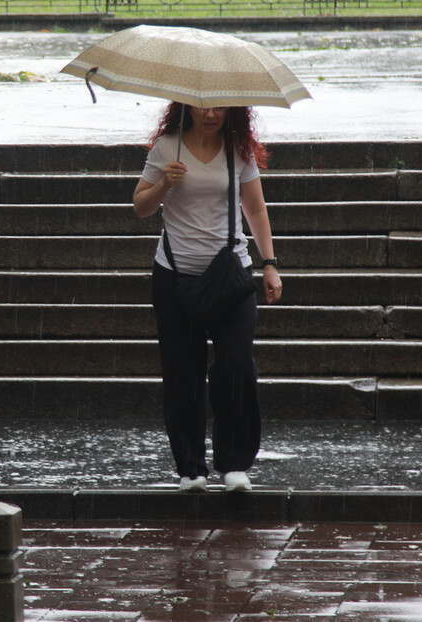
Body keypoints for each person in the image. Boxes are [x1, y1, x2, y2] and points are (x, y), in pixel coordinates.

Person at [132, 102, 282, 493]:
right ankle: (190, 469)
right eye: (202, 107)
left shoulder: (239, 151)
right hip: (174, 275)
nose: (210, 114)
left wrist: (269, 263)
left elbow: (255, 208)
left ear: (232, 112)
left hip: (230, 276)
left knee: (235, 366)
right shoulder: (166, 148)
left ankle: (234, 464)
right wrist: (164, 183)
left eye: (219, 108)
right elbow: (140, 206)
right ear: (187, 108)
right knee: (183, 373)